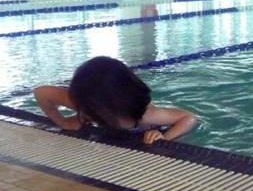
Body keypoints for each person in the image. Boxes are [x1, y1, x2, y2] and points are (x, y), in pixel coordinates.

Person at [34, 56, 197, 144]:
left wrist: (165, 137)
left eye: (93, 109)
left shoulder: (145, 115)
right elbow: (41, 93)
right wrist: (62, 122)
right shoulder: (85, 102)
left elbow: (188, 118)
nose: (86, 111)